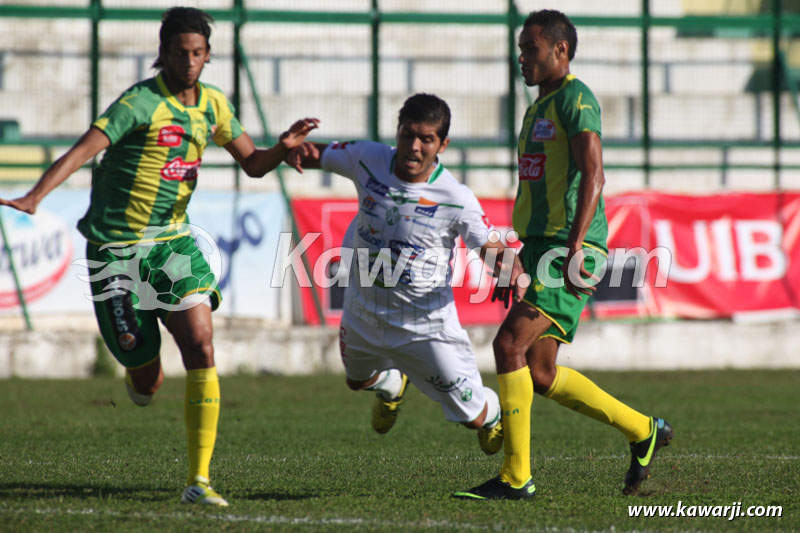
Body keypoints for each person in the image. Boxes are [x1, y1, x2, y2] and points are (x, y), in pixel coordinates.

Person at [0, 7, 318, 507]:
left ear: (208, 55)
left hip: (172, 244)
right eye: (179, 52)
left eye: (197, 53)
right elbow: (83, 151)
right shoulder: (139, 102)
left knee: (201, 343)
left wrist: (282, 147)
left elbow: (254, 165)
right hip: (116, 250)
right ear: (163, 52)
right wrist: (37, 195)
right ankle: (138, 369)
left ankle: (199, 481)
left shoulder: (214, 105)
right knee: (147, 380)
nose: (188, 61)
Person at [453, 9, 674, 501]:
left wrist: (575, 248)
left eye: (530, 49)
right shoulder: (537, 108)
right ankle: (643, 430)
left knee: (507, 345)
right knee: (539, 371)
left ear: (560, 51)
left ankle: (515, 478)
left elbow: (594, 173)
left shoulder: (577, 99)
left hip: (568, 246)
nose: (522, 58)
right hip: (538, 247)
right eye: (520, 50)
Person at [286, 93, 512, 457]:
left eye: (427, 139)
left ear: (443, 144)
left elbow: (491, 248)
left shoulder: (456, 197)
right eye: (408, 134)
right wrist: (291, 146)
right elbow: (313, 153)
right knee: (356, 380)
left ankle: (493, 413)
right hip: (365, 310)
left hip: (426, 325)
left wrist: (511, 272)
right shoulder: (368, 157)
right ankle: (392, 383)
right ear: (398, 131)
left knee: (472, 418)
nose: (414, 146)